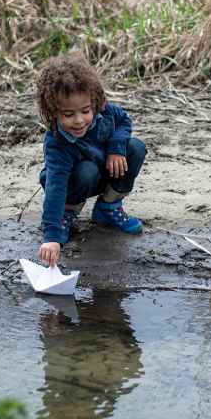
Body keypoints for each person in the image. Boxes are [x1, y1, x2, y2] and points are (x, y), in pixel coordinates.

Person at [35, 53, 146, 267]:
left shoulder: (105, 112)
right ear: (53, 112)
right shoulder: (57, 142)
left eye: (85, 111)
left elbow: (124, 121)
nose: (79, 121)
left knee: (135, 148)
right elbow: (56, 186)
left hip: (104, 169)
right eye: (68, 114)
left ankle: (108, 207)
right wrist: (51, 236)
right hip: (72, 183)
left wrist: (116, 148)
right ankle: (67, 214)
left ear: (94, 102)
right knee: (86, 170)